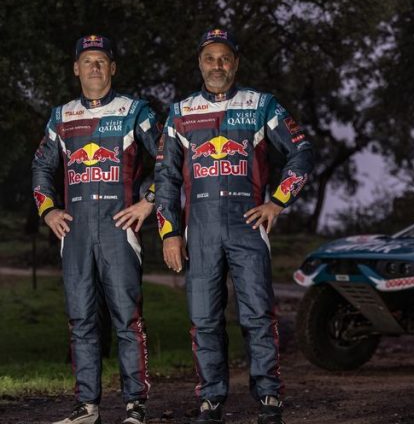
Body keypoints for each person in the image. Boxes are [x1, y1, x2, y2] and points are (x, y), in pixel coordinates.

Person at [154, 28, 313, 424]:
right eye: (210, 58)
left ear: (236, 63)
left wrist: (278, 201)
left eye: (224, 58)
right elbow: (166, 177)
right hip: (200, 230)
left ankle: (269, 397)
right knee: (204, 319)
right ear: (200, 63)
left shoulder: (261, 105)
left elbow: (301, 151)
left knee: (258, 314)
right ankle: (210, 399)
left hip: (248, 225)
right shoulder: (180, 112)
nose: (217, 65)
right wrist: (170, 232)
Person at [32, 34, 159, 424]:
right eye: (87, 61)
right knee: (81, 320)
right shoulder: (61, 116)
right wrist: (48, 210)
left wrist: (148, 201)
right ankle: (86, 407)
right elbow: (41, 168)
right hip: (76, 233)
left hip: (119, 229)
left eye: (101, 60)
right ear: (76, 68)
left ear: (112, 68)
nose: (94, 67)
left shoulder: (135, 111)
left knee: (127, 319)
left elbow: (169, 160)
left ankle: (136, 405)